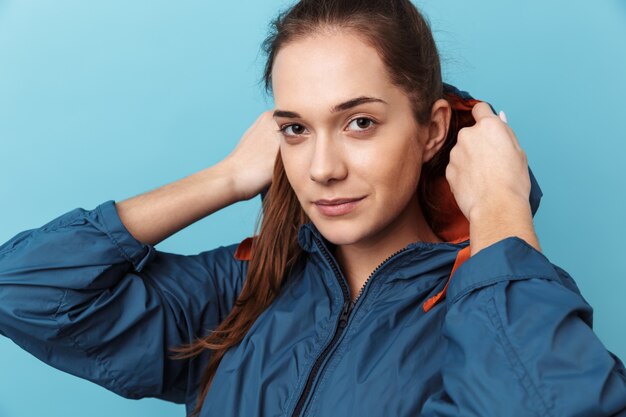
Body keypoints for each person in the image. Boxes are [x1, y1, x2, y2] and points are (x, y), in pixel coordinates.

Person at [1, 0, 625, 416]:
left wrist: (499, 210)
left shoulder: (482, 315)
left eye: (359, 122)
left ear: (433, 130)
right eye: (296, 129)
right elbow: (21, 291)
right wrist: (226, 177)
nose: (322, 168)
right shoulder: (242, 292)